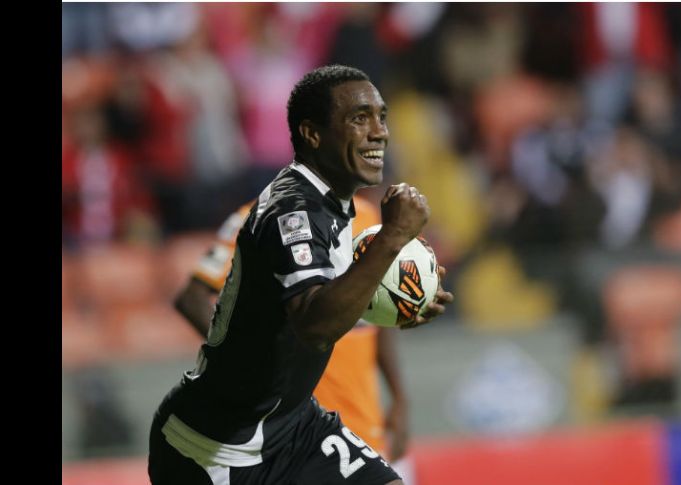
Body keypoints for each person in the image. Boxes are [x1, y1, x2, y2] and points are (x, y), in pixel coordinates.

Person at [148, 64, 453, 485]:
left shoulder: (340, 206)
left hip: (295, 425)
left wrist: (402, 302)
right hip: (216, 449)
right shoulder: (292, 211)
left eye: (381, 117)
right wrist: (393, 238)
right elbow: (315, 324)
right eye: (359, 118)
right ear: (313, 134)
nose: (379, 131)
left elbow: (338, 300)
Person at [173, 194, 415, 478]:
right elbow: (192, 298)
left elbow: (376, 312)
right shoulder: (259, 216)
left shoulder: (367, 215)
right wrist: (255, 361)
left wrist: (399, 397)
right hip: (296, 442)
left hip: (365, 431)